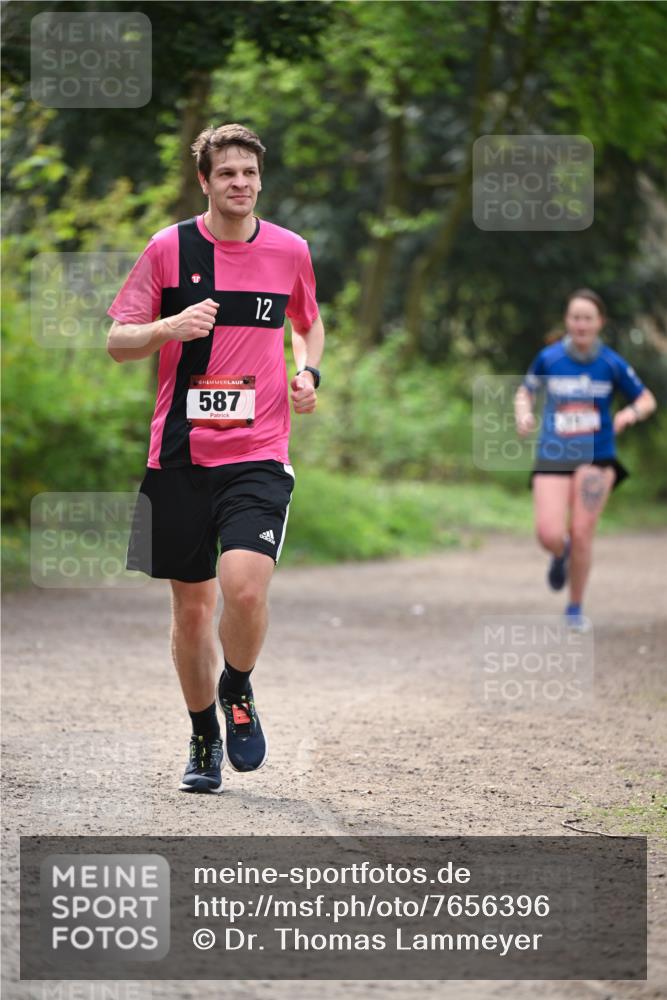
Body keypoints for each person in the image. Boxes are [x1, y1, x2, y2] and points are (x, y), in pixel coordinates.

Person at [106, 124, 324, 793]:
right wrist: (167, 328)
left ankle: (238, 684)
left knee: (246, 588)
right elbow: (118, 341)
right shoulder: (168, 249)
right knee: (192, 610)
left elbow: (307, 322)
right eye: (226, 173)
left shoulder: (290, 250)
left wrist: (309, 373)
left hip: (258, 450)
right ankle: (203, 738)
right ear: (204, 180)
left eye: (249, 174)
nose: (240, 184)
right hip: (178, 454)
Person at [514, 289, 656, 629]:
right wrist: (523, 414)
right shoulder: (549, 358)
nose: (581, 324)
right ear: (567, 321)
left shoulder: (611, 363)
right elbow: (526, 390)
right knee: (549, 533)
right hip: (554, 452)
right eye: (575, 317)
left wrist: (630, 414)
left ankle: (575, 607)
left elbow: (646, 399)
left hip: (597, 455)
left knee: (582, 531)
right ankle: (558, 553)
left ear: (599, 323)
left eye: (587, 318)